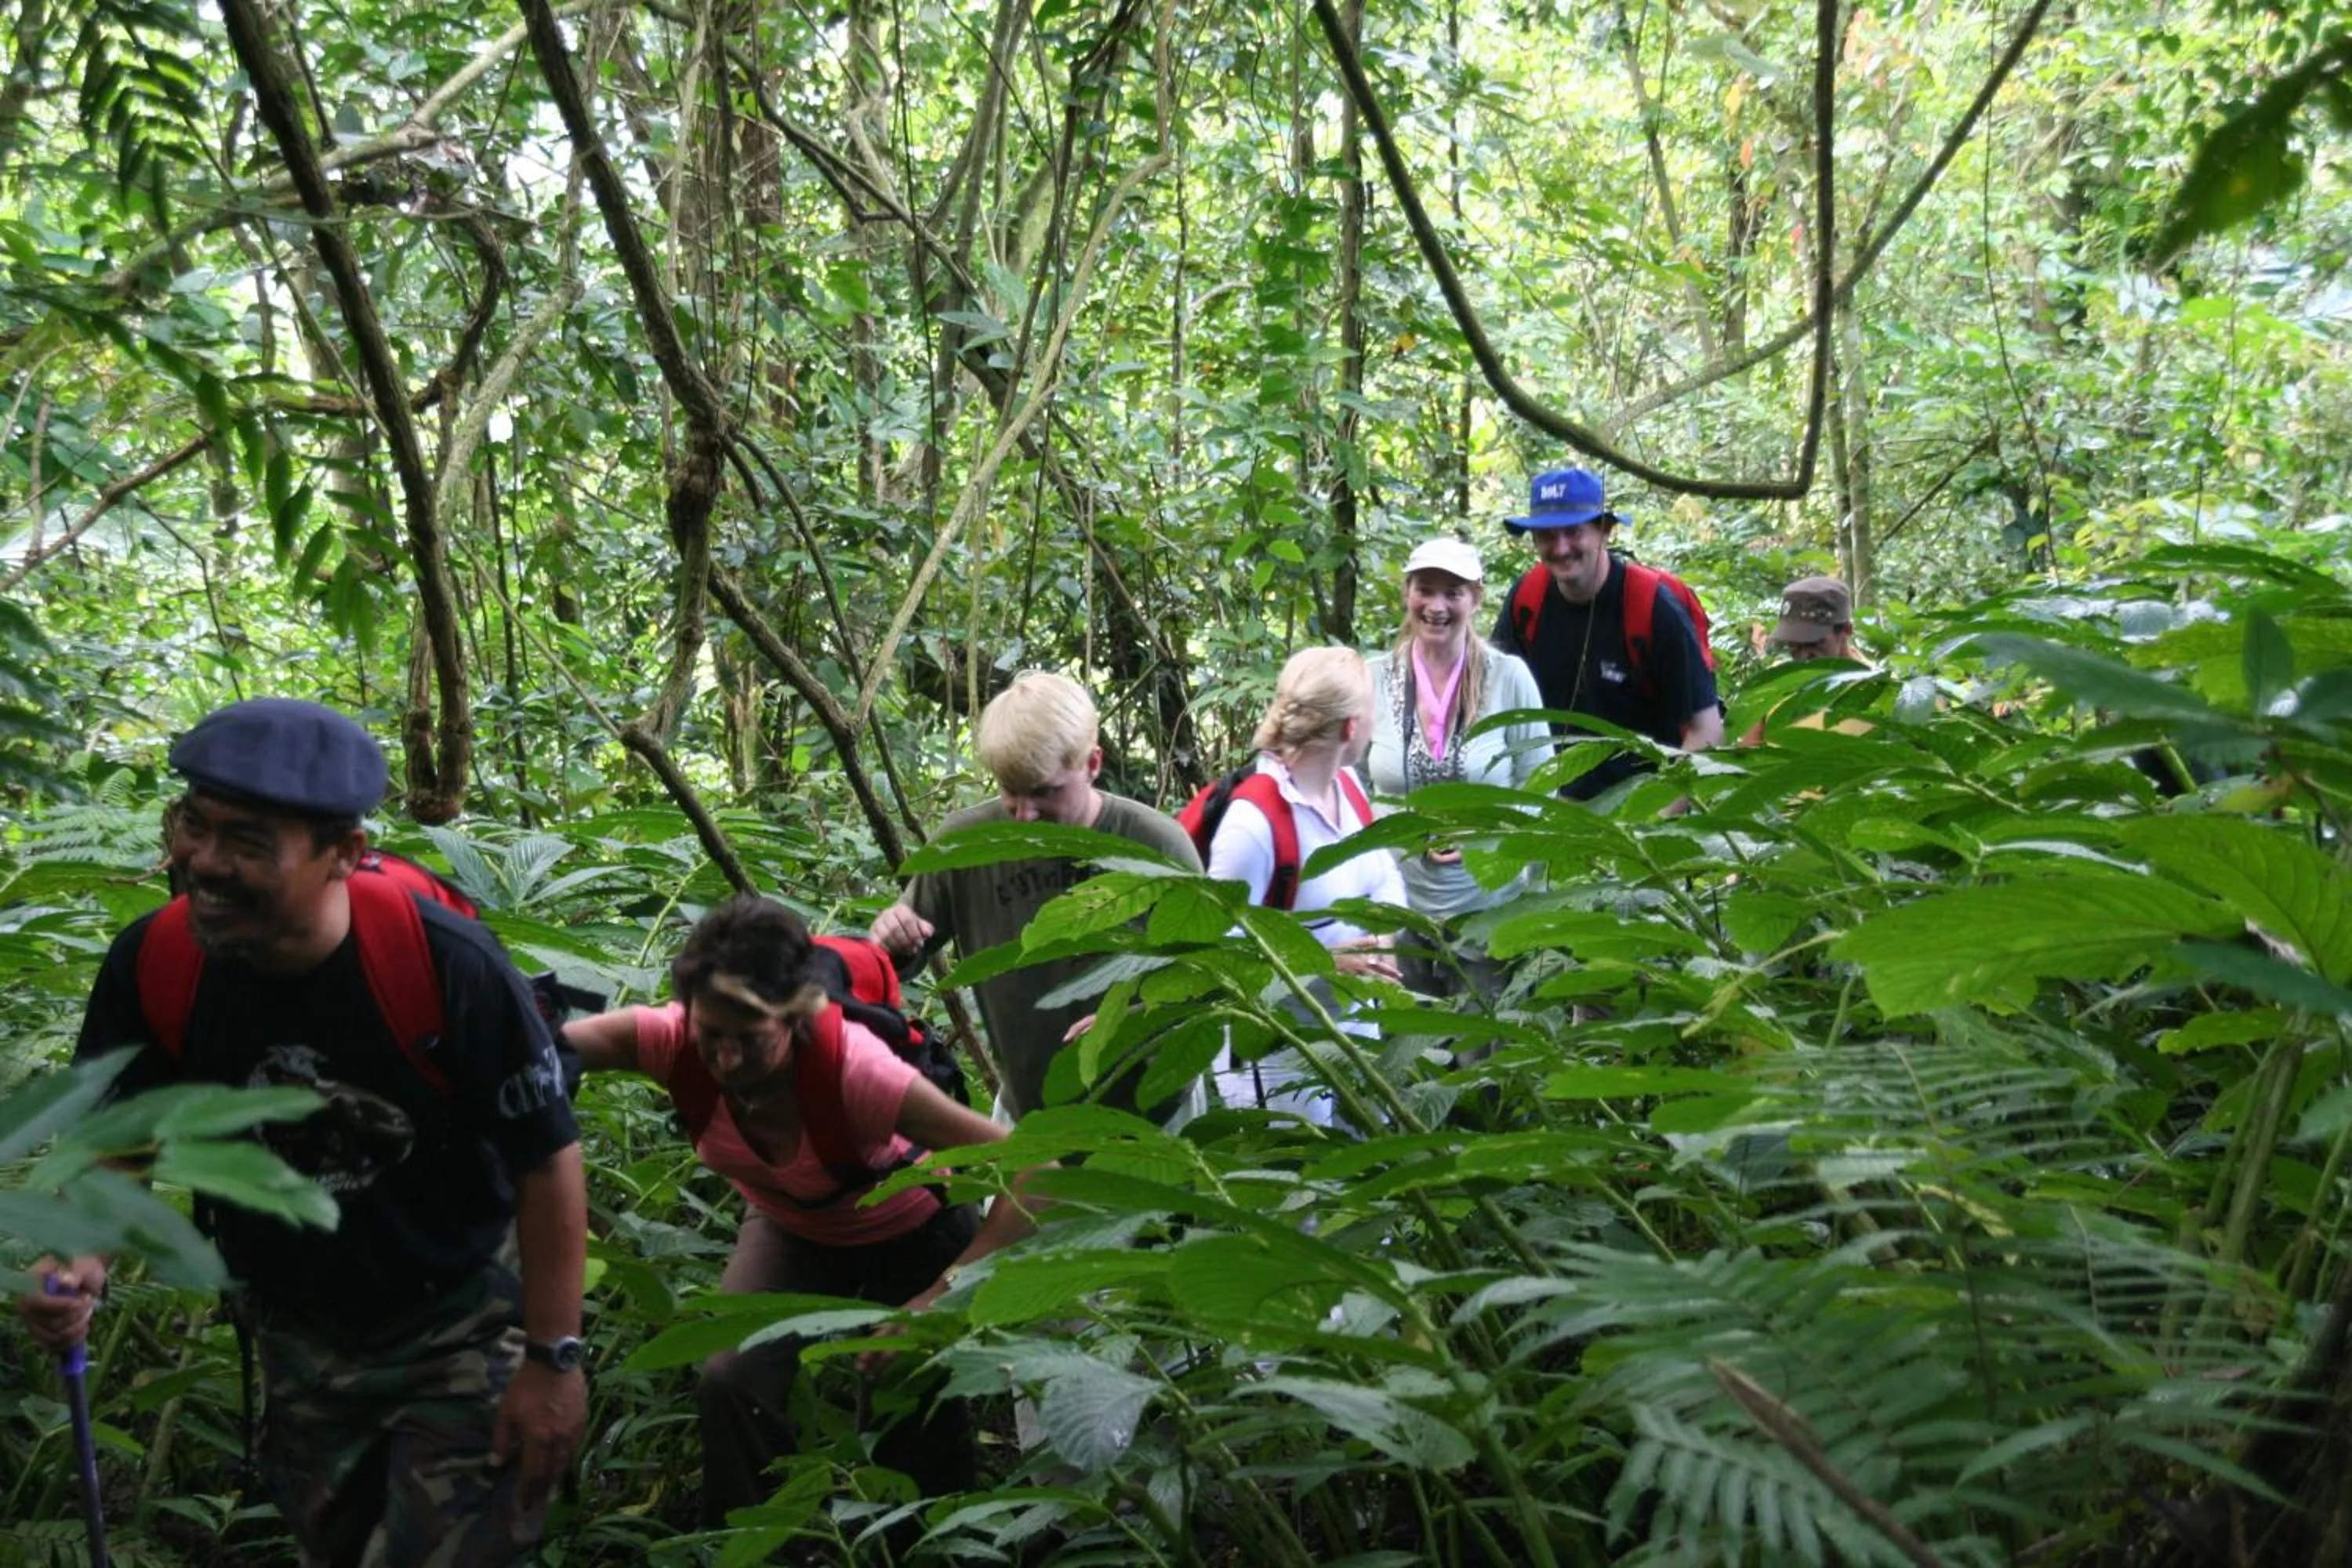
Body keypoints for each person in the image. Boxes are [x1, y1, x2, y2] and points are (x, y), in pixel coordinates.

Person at [17, 698, 586, 1568]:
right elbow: (122, 1132)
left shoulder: (445, 966)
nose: (202, 861)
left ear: (345, 855)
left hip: (461, 1318)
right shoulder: (157, 963)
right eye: (192, 824)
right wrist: (85, 1251)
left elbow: (546, 1158)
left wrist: (553, 1358)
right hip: (297, 1331)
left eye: (248, 841)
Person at [563, 895, 1037, 1524]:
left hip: (913, 1224)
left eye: (750, 1041)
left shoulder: (857, 1073)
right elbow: (536, 1050)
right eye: (711, 1037)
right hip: (791, 1224)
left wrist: (940, 1300)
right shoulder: (669, 1040)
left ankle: (925, 1538)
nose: (727, 1061)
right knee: (731, 1381)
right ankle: (753, 1541)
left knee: (902, 1385)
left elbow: (1037, 1175)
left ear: (795, 1019)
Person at [869, 672, 1200, 1120]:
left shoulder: (1158, 844)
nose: (1024, 815)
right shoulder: (966, 846)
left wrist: (1138, 1018)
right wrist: (888, 941)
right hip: (1031, 1115)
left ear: (1093, 763)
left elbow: (1209, 981)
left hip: (1155, 1115)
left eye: (1045, 792)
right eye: (1009, 791)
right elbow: (890, 965)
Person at [1206, 647, 1409, 1123]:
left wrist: (1384, 939)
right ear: (1350, 727)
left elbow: (1386, 881)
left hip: (1352, 1034)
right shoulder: (1253, 823)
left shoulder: (1349, 789)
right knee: (1297, 1178)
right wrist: (1328, 964)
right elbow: (1217, 953)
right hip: (1278, 1051)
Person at [1365, 537, 1550, 1003]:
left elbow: (1540, 790)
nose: (1437, 606)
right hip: (1398, 907)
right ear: (1407, 593)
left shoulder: (1509, 678)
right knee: (1408, 1059)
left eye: (1453, 592)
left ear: (1476, 598)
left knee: (1483, 1062)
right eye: (1425, 589)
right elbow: (1343, 781)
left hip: (1488, 912)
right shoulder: (1371, 678)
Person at [1490, 466, 1724, 800]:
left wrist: (1655, 820)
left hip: (1638, 810)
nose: (1560, 548)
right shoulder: (1528, 599)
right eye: (1546, 535)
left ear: (1605, 530)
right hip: (1549, 812)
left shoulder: (1651, 607)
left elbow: (1708, 730)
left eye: (1573, 531)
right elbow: (1495, 703)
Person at [1771, 575, 1860, 662]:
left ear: (1846, 629)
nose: (1803, 656)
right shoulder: (1784, 675)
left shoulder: (1869, 676)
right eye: (1794, 645)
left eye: (1815, 643)